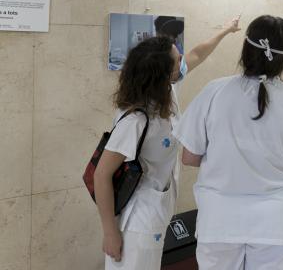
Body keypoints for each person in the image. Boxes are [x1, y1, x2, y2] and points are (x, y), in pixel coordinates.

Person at [178, 15, 283, 270]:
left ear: (246, 48)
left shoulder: (214, 91)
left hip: (219, 222)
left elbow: (189, 157)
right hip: (275, 225)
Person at [94, 17, 241, 270]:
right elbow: (101, 174)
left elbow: (197, 53)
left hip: (156, 213)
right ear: (162, 73)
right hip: (136, 223)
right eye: (177, 60)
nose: (183, 59)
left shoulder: (167, 92)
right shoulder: (136, 119)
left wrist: (226, 30)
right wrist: (109, 232)